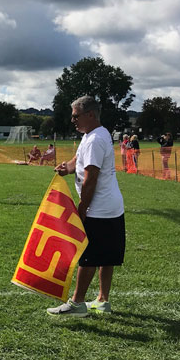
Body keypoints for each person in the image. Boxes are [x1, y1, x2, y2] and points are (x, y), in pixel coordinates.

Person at [47, 95, 125, 317]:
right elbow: (78, 161)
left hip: (98, 209)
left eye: (75, 116)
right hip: (111, 206)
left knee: (89, 256)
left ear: (90, 115)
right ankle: (102, 300)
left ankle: (77, 303)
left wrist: (83, 208)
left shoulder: (94, 140)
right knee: (106, 256)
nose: (72, 120)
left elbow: (91, 177)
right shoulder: (95, 134)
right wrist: (68, 168)